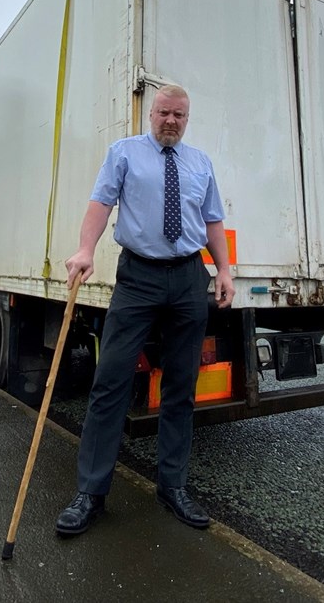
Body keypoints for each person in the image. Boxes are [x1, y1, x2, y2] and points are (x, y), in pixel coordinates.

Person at [56, 84, 235, 537]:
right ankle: (91, 494)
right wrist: (85, 250)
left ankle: (172, 486)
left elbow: (212, 221)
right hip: (138, 278)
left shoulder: (200, 163)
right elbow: (101, 204)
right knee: (111, 381)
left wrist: (225, 272)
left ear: (186, 118)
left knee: (181, 386)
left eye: (179, 115)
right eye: (163, 113)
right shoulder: (124, 153)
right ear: (150, 114)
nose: (170, 121)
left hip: (189, 278)